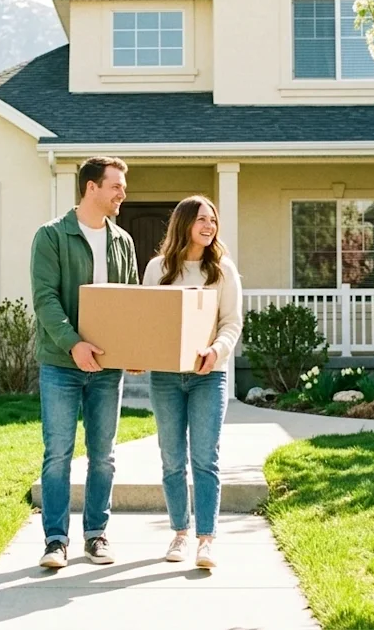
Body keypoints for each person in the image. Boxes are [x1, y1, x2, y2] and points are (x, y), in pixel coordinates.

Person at [29, 156, 139, 569]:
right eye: (116, 186)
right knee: (58, 452)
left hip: (108, 368)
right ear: (91, 187)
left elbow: (129, 303)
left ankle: (97, 535)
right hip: (61, 362)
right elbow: (45, 299)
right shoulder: (52, 236)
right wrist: (74, 343)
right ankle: (56, 540)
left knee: (104, 454)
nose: (122, 194)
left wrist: (133, 351)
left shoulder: (122, 241)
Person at [141, 195, 242, 569]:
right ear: (183, 223)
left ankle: (206, 539)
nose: (209, 225)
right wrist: (139, 355)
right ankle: (180, 533)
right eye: (201, 219)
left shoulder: (223, 271)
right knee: (171, 459)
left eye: (212, 220)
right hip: (166, 376)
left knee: (205, 459)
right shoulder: (157, 269)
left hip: (208, 376)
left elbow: (232, 322)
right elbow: (147, 322)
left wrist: (216, 350)